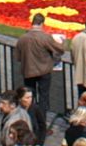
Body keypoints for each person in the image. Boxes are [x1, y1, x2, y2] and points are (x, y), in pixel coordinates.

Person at [16, 10, 66, 138]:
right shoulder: (45, 37)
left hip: (28, 71)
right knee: (43, 99)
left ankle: (31, 123)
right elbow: (60, 49)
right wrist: (61, 42)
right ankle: (41, 125)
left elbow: (17, 57)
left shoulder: (23, 38)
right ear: (42, 23)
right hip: (44, 72)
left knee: (29, 98)